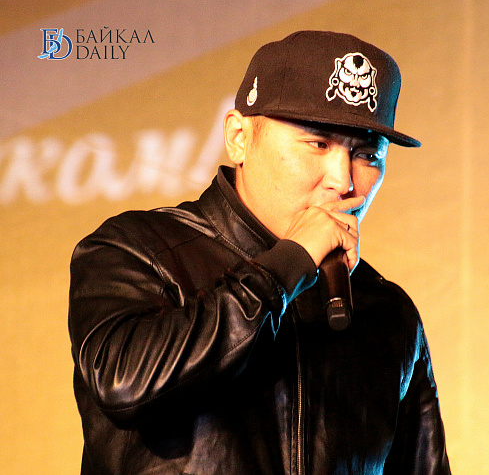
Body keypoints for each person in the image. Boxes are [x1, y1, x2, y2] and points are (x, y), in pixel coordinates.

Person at [68, 30, 451, 474]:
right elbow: (124, 384)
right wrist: (285, 267)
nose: (343, 180)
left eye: (367, 154)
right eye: (318, 143)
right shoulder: (137, 248)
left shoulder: (386, 310)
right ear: (239, 137)